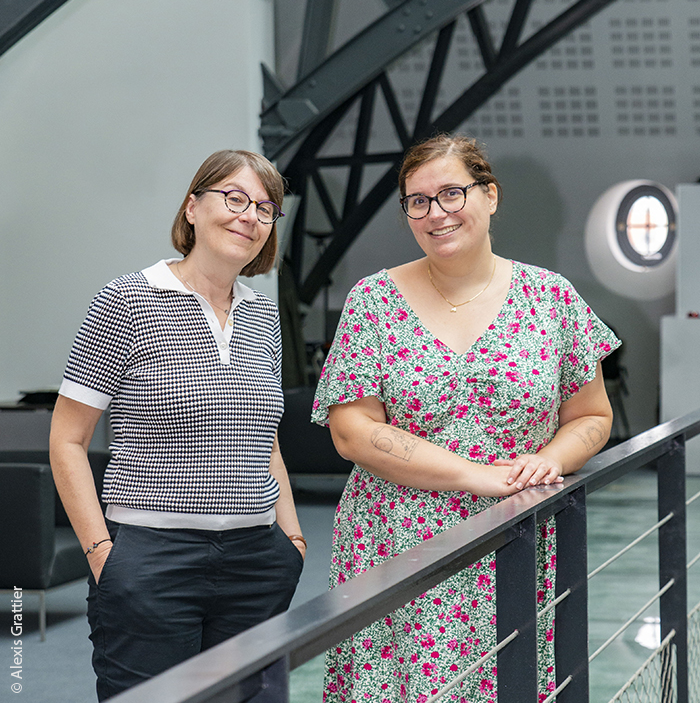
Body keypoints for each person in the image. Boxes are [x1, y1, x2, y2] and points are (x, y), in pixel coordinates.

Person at [311, 134, 619, 703]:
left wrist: (549, 459)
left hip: (516, 537)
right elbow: (351, 431)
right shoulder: (373, 301)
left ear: (490, 196)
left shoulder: (551, 298)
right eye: (418, 201)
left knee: (510, 681)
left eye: (452, 193)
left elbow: (592, 417)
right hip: (396, 546)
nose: (436, 213)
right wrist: (476, 476)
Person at [50, 150, 306, 701]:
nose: (249, 216)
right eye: (233, 198)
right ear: (193, 207)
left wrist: (294, 540)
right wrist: (102, 555)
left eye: (265, 208)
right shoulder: (126, 299)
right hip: (149, 558)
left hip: (257, 559)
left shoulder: (262, 313)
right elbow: (67, 440)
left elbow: (266, 441)